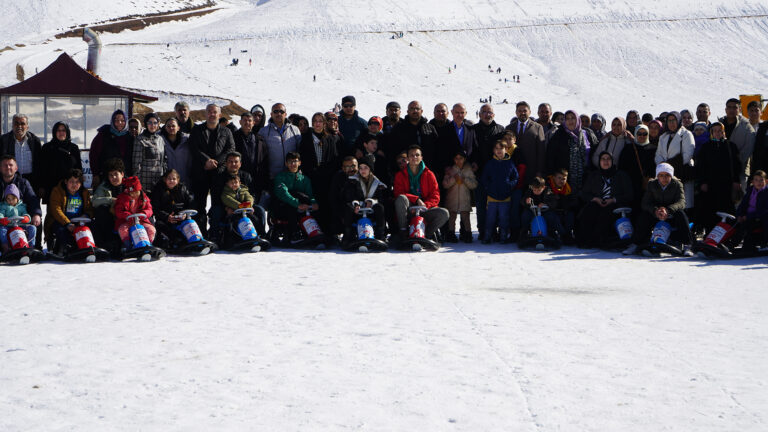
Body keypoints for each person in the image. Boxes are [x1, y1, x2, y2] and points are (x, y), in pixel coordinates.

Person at [625, 163, 692, 255]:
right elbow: (645, 203)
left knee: (681, 215)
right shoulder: (652, 184)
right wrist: (655, 210)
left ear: (671, 176)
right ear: (658, 176)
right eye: (661, 175)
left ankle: (687, 244)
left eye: (667, 175)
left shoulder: (677, 184)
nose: (664, 178)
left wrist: (668, 210)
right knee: (644, 216)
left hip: (671, 213)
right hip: (656, 213)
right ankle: (636, 243)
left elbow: (681, 202)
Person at [190, 103, 236, 234]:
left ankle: (216, 232)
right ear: (205, 114)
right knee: (199, 204)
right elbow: (194, 148)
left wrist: (216, 162)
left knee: (218, 204)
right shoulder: (197, 130)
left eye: (215, 112)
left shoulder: (226, 131)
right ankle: (200, 232)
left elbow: (230, 149)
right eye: (209, 111)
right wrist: (206, 160)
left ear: (219, 115)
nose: (212, 114)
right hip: (200, 172)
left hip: (219, 173)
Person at [392, 145, 449, 243]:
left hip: (425, 209)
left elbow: (435, 195)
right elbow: (398, 193)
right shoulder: (400, 175)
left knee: (444, 213)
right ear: (408, 158)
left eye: (417, 155)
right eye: (412, 155)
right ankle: (404, 233)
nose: (414, 157)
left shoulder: (429, 174)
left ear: (421, 157)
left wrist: (425, 206)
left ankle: (426, 234)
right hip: (408, 210)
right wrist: (416, 199)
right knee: (401, 198)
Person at [576, 152, 632, 248]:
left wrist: (613, 199)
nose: (606, 161)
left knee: (605, 214)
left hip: (615, 204)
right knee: (589, 211)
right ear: (599, 161)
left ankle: (600, 241)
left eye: (608, 159)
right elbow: (584, 193)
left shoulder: (621, 175)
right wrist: (595, 199)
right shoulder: (594, 175)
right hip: (597, 202)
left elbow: (629, 195)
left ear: (612, 161)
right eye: (603, 159)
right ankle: (586, 240)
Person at [299, 112, 342, 232]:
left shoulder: (329, 138)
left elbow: (334, 159)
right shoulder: (306, 138)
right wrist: (312, 172)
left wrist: (327, 172)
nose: (317, 124)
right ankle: (314, 232)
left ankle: (329, 232)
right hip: (311, 177)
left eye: (320, 121)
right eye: (315, 121)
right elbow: (303, 158)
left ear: (324, 123)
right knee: (314, 204)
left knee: (327, 204)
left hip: (327, 178)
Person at [695, 122, 742, 230]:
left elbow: (736, 165)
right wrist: (703, 182)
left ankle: (727, 233)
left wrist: (736, 181)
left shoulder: (731, 146)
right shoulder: (706, 147)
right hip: (710, 185)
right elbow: (701, 167)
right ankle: (710, 233)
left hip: (727, 184)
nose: (718, 133)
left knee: (727, 209)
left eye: (720, 130)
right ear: (711, 132)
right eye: (715, 130)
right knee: (710, 209)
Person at [473, 104, 507, 237]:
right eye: (484, 112)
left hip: (496, 173)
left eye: (490, 112)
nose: (487, 115)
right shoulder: (473, 129)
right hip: (479, 172)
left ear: (494, 114)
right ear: (480, 114)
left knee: (496, 203)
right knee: (481, 204)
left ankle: (495, 230)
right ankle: (483, 230)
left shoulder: (500, 130)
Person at [44, 169, 94, 254]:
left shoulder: (84, 193)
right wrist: (67, 223)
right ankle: (66, 248)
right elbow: (56, 210)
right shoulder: (58, 191)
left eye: (77, 182)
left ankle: (89, 246)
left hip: (80, 221)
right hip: (61, 221)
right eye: (72, 181)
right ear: (66, 181)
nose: (74, 184)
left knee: (93, 227)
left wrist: (86, 216)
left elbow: (89, 209)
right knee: (61, 230)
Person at [340, 155, 389, 243]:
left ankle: (380, 235)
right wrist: (356, 204)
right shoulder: (353, 181)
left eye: (365, 168)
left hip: (371, 211)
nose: (363, 170)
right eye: (361, 168)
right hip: (357, 210)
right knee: (348, 207)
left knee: (380, 207)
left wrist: (371, 201)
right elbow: (350, 195)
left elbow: (380, 198)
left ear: (370, 169)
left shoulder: (377, 183)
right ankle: (348, 235)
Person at [272, 152, 319, 242]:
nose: (293, 164)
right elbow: (283, 193)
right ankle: (294, 233)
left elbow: (310, 195)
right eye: (290, 162)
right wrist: (297, 204)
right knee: (292, 202)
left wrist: (313, 203)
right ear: (286, 163)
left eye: (295, 161)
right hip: (284, 206)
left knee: (306, 200)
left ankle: (316, 232)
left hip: (302, 206)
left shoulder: (305, 179)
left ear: (299, 163)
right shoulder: (281, 177)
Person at [656, 111, 695, 211]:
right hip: (666, 175)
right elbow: (658, 154)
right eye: (669, 121)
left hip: (681, 171)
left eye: (674, 120)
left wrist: (669, 165)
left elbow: (688, 154)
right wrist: (662, 166)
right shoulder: (663, 137)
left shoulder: (686, 134)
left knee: (683, 204)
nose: (671, 123)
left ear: (678, 121)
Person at [480, 141, 518, 243]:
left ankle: (503, 237)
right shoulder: (490, 163)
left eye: (501, 148)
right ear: (494, 151)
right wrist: (489, 187)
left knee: (504, 218)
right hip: (492, 197)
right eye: (496, 148)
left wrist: (510, 185)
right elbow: (484, 178)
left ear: (506, 150)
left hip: (505, 197)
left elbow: (515, 177)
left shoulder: (510, 163)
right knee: (490, 218)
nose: (499, 151)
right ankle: (488, 236)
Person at [546, 110, 592, 194]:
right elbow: (550, 156)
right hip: (564, 179)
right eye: (567, 118)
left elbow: (594, 150)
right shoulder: (559, 135)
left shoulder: (586, 133)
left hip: (584, 177)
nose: (570, 121)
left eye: (573, 118)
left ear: (578, 119)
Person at [0, 155, 42, 246]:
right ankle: (5, 248)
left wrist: (36, 214)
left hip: (21, 220)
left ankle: (33, 248)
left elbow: (33, 199)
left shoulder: (23, 183)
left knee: (34, 224)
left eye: (11, 165)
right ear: (0, 168)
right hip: (3, 221)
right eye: (5, 165)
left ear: (16, 168)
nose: (8, 167)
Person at [387, 101, 439, 173]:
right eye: (412, 108)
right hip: (406, 171)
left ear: (422, 111)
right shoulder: (399, 128)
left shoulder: (429, 128)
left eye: (417, 108)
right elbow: (392, 150)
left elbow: (437, 148)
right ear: (408, 111)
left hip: (427, 170)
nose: (415, 111)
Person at [149, 169, 197, 249]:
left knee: (190, 222)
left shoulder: (182, 189)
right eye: (169, 178)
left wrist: (185, 214)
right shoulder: (159, 190)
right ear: (165, 179)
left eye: (174, 179)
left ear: (178, 180)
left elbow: (191, 203)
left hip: (181, 217)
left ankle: (196, 238)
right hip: (166, 219)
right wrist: (167, 217)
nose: (171, 181)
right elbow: (155, 208)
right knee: (160, 225)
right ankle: (175, 241)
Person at [617, 124, 657, 217]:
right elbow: (621, 167)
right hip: (630, 185)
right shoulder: (628, 148)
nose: (642, 136)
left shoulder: (653, 149)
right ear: (635, 134)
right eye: (639, 134)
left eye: (645, 134)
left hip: (646, 186)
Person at [39, 121, 83, 205]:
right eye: (58, 130)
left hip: (70, 187)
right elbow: (42, 169)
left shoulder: (73, 148)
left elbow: (78, 169)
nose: (61, 133)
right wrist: (42, 186)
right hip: (51, 186)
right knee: (53, 214)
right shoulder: (47, 148)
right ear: (54, 132)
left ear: (67, 132)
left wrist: (79, 184)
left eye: (63, 130)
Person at [0, 114, 42, 196]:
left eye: (22, 124)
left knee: (32, 205)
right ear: (12, 125)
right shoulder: (3, 140)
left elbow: (40, 164)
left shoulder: (34, 141)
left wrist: (41, 185)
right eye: (16, 123)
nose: (19, 126)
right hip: (10, 181)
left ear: (27, 126)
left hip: (32, 181)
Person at [258, 103, 301, 183]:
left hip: (291, 175)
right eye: (276, 111)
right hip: (272, 176)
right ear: (271, 114)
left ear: (285, 114)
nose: (279, 114)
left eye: (281, 111)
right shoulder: (263, 132)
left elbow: (300, 150)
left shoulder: (295, 130)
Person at [719, 98, 756, 189]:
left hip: (740, 171)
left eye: (734, 108)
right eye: (729, 107)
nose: (731, 110)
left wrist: (734, 161)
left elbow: (748, 149)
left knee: (739, 200)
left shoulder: (747, 127)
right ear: (725, 109)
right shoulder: (719, 124)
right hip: (720, 170)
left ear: (739, 109)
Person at [89, 109, 132, 186]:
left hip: (124, 177)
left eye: (122, 120)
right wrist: (96, 174)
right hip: (105, 176)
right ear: (112, 121)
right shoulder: (104, 134)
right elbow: (94, 154)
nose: (119, 123)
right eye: (116, 120)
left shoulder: (130, 137)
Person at [442, 150, 477, 243]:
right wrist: (454, 179)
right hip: (452, 198)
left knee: (466, 217)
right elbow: (445, 184)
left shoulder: (468, 170)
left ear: (464, 159)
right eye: (456, 158)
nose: (458, 161)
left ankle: (468, 233)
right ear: (454, 159)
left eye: (461, 158)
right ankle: (451, 234)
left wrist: (465, 179)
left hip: (464, 198)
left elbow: (474, 184)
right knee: (452, 217)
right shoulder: (450, 170)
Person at [506, 101, 545, 185]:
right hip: (513, 169)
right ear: (516, 112)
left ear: (529, 112)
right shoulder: (509, 127)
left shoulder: (538, 127)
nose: (522, 113)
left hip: (531, 170)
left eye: (525, 110)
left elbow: (541, 152)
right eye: (520, 111)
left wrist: (539, 171)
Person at [234, 112, 269, 202]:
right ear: (240, 122)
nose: (247, 122)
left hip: (256, 179)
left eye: (250, 120)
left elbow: (265, 159)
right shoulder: (233, 137)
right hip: (238, 178)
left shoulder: (259, 139)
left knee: (254, 205)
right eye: (245, 120)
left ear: (253, 123)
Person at [91, 157, 125, 251]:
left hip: (126, 216)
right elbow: (95, 201)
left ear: (122, 174)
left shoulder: (129, 185)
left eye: (116, 174)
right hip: (110, 219)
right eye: (110, 175)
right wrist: (111, 200)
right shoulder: (104, 186)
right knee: (101, 210)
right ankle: (107, 242)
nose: (113, 177)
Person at [729, 170, 768, 250]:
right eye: (756, 180)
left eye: (761, 180)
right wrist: (739, 215)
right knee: (732, 223)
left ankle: (734, 245)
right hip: (747, 216)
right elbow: (743, 205)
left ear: (766, 181)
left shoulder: (766, 192)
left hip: (760, 218)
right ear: (753, 182)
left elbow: (764, 210)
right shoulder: (750, 191)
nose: (759, 182)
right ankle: (727, 243)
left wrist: (748, 216)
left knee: (746, 225)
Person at [114, 176, 156, 248]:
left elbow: (149, 209)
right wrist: (127, 215)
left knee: (151, 229)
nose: (134, 194)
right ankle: (128, 245)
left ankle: (148, 244)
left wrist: (144, 214)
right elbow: (118, 211)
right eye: (132, 193)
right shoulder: (122, 198)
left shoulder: (144, 198)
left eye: (136, 192)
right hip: (126, 221)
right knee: (123, 230)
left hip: (141, 220)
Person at [220, 172, 266, 239]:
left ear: (240, 183)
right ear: (227, 184)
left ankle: (260, 235)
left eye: (236, 182)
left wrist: (248, 205)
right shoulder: (226, 193)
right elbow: (229, 201)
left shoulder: (243, 191)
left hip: (245, 212)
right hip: (234, 212)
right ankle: (232, 239)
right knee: (233, 222)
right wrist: (242, 206)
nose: (234, 184)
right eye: (232, 183)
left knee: (254, 219)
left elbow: (249, 198)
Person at [519, 176, 563, 243]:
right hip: (532, 211)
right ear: (532, 187)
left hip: (545, 211)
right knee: (525, 216)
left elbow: (554, 202)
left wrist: (546, 204)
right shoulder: (529, 192)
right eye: (534, 190)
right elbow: (522, 201)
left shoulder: (548, 192)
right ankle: (524, 232)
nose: (536, 192)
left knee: (551, 216)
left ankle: (552, 232)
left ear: (543, 187)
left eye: (539, 190)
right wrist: (526, 201)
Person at [132, 113, 167, 192]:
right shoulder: (140, 140)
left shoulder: (160, 139)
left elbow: (164, 160)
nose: (152, 125)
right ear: (146, 124)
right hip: (145, 183)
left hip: (159, 180)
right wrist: (138, 184)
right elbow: (136, 165)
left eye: (155, 123)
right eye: (149, 122)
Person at [0, 184, 36, 253]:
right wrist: (2, 219)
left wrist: (26, 218)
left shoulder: (21, 206)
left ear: (17, 198)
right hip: (8, 226)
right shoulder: (4, 206)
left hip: (20, 226)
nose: (10, 201)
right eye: (8, 199)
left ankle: (31, 246)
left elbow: (25, 213)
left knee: (32, 228)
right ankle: (6, 247)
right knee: (2, 230)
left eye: (13, 199)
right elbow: (1, 213)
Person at [547, 169, 577, 244]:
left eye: (563, 179)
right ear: (554, 178)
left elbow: (574, 201)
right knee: (552, 216)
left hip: (564, 211)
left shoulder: (568, 189)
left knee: (570, 215)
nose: (561, 181)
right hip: (552, 211)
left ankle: (568, 234)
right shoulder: (548, 187)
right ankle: (562, 234)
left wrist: (566, 203)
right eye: (559, 178)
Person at [161, 117, 193, 186]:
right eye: (168, 126)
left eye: (173, 126)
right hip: (169, 181)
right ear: (165, 128)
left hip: (185, 179)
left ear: (178, 127)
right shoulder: (160, 141)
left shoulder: (187, 140)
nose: (171, 128)